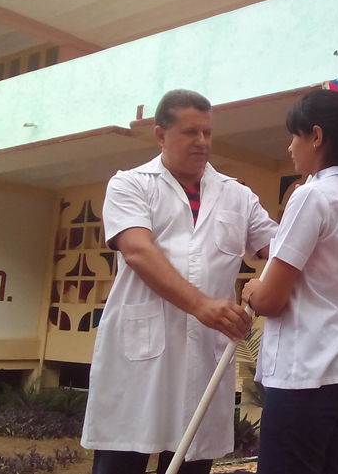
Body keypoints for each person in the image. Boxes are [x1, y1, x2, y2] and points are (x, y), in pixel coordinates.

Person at [82, 89, 278, 474]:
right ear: (160, 134)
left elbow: (280, 250)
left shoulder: (237, 196)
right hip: (139, 357)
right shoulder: (130, 185)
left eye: (207, 132)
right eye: (190, 132)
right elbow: (138, 251)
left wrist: (310, 202)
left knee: (192, 462)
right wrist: (202, 305)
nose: (202, 142)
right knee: (122, 459)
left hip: (205, 359)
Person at [241, 89, 338, 474]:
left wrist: (252, 290)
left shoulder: (312, 196)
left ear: (316, 137)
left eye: (295, 136)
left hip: (305, 375)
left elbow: (270, 300)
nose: (290, 148)